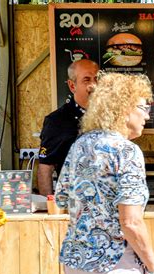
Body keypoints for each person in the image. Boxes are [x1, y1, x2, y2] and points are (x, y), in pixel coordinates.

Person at [55, 72, 154, 274]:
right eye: (143, 107)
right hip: (113, 266)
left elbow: (61, 198)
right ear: (124, 108)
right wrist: (152, 267)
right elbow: (130, 222)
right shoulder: (126, 151)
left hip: (77, 263)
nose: (147, 115)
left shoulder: (79, 144)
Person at [38, 59, 99, 196]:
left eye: (97, 79)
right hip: (73, 204)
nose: (94, 85)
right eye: (87, 80)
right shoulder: (56, 121)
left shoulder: (112, 117)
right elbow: (45, 168)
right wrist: (50, 211)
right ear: (72, 86)